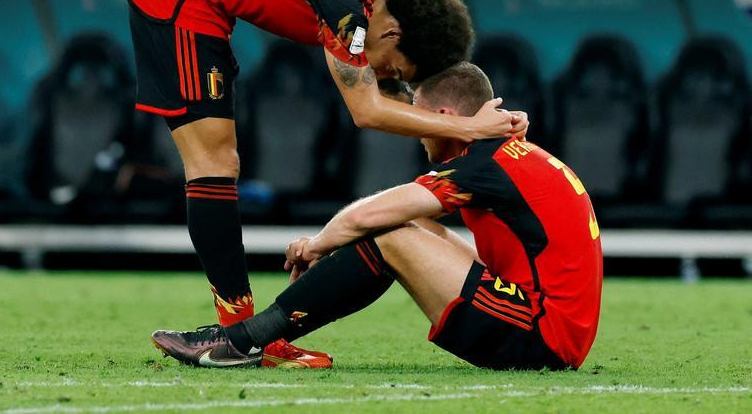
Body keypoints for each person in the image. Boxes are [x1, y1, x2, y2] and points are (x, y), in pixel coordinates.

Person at [129, 0, 528, 368]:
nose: (385, 75)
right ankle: (243, 340)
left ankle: (246, 339)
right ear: (393, 34)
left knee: (221, 159)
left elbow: (397, 100)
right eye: (394, 68)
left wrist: (475, 121)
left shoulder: (375, 2)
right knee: (214, 160)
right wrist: (472, 129)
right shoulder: (349, 11)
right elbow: (367, 110)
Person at [152, 62, 603, 370]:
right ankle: (261, 339)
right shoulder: (508, 154)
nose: (415, 130)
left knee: (390, 234)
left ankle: (242, 340)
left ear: (445, 116)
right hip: (547, 324)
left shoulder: (486, 164)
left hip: (542, 335)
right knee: (408, 227)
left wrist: (318, 244)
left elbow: (370, 216)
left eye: (418, 117)